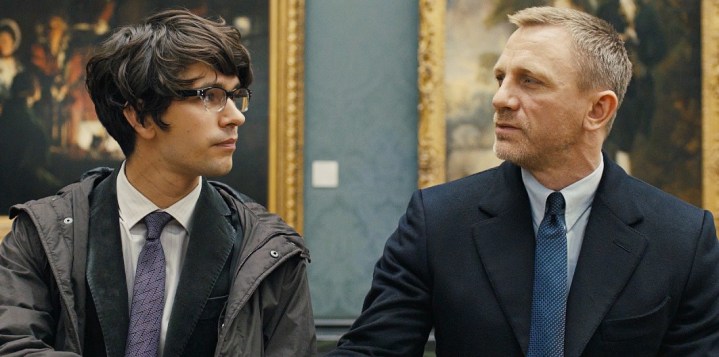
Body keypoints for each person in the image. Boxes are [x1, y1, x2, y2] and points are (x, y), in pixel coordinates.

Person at [329, 6, 719, 356]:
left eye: (529, 81)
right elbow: (372, 350)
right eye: (501, 78)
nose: (500, 98)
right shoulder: (437, 221)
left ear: (598, 110)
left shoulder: (682, 238)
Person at [0, 9, 316, 357]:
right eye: (209, 96)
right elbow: (13, 347)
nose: (236, 116)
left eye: (235, 94)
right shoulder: (40, 236)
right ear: (140, 116)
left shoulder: (270, 253)